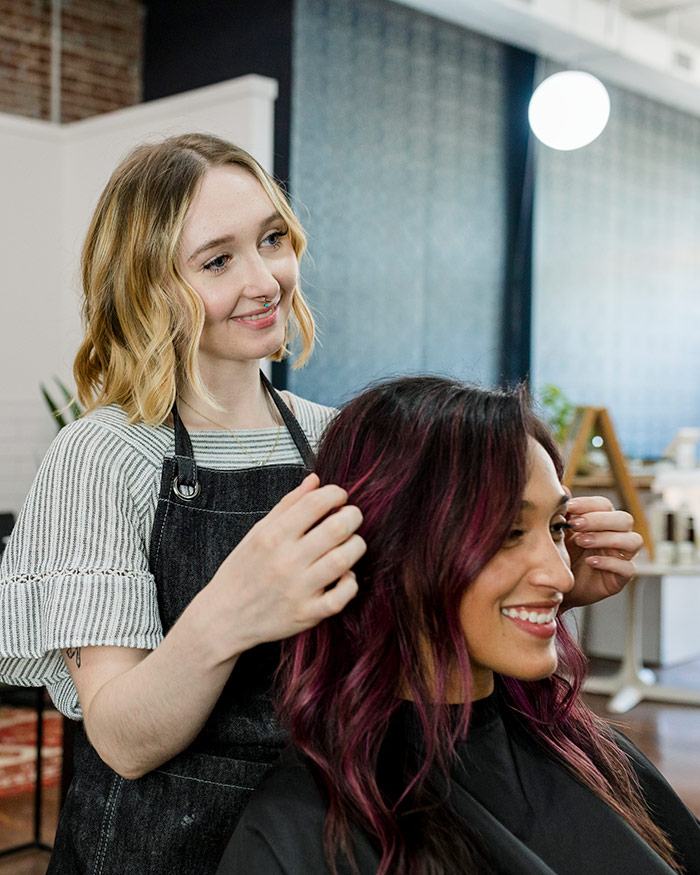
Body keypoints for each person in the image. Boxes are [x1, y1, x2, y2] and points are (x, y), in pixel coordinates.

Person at [0, 134, 640, 874]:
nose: (267, 278)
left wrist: (550, 580)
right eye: (218, 260)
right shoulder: (103, 457)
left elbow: (414, 635)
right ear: (145, 285)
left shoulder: (334, 435)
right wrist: (230, 610)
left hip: (333, 836)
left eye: (273, 239)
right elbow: (122, 739)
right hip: (165, 849)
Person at [220, 377, 700, 875]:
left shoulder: (588, 752)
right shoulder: (298, 834)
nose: (562, 574)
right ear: (392, 549)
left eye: (556, 528)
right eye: (509, 532)